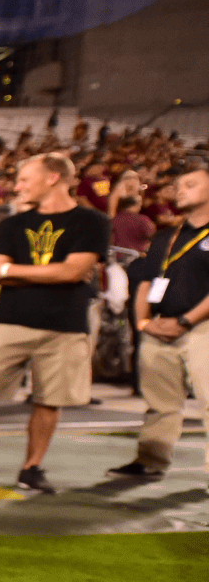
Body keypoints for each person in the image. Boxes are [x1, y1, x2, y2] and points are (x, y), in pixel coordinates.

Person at [0, 153, 110, 494]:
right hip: (9, 322)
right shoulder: (11, 225)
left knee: (49, 400)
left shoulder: (93, 221)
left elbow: (72, 271)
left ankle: (31, 468)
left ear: (53, 178)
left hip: (66, 325)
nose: (17, 187)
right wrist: (53, 273)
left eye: (24, 180)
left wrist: (13, 271)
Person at [111, 162, 209, 479]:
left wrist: (184, 320)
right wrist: (144, 323)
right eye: (179, 185)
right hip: (159, 326)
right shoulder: (166, 236)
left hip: (201, 327)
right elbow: (145, 282)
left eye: (191, 184)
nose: (181, 190)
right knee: (159, 403)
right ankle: (151, 460)